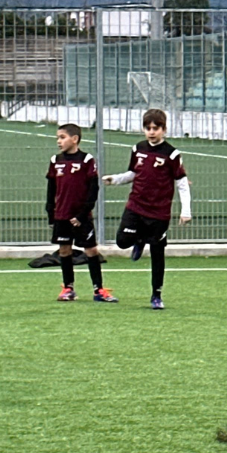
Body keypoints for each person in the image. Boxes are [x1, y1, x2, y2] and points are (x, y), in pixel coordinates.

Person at [102, 108, 191, 309]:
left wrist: (186, 210)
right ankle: (140, 240)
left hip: (159, 211)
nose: (151, 132)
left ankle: (156, 295)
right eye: (148, 128)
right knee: (122, 241)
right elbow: (133, 173)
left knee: (158, 254)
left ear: (164, 129)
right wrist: (115, 180)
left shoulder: (172, 154)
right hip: (136, 205)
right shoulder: (138, 149)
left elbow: (182, 183)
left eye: (156, 128)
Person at [47, 123, 117, 303]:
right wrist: (50, 212)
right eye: (58, 138)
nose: (58, 141)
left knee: (91, 250)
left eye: (62, 137)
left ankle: (98, 290)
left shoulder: (86, 160)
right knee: (64, 250)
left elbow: (93, 189)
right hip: (62, 215)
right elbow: (51, 188)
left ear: (75, 139)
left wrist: (81, 214)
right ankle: (68, 288)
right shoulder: (56, 161)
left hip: (81, 216)